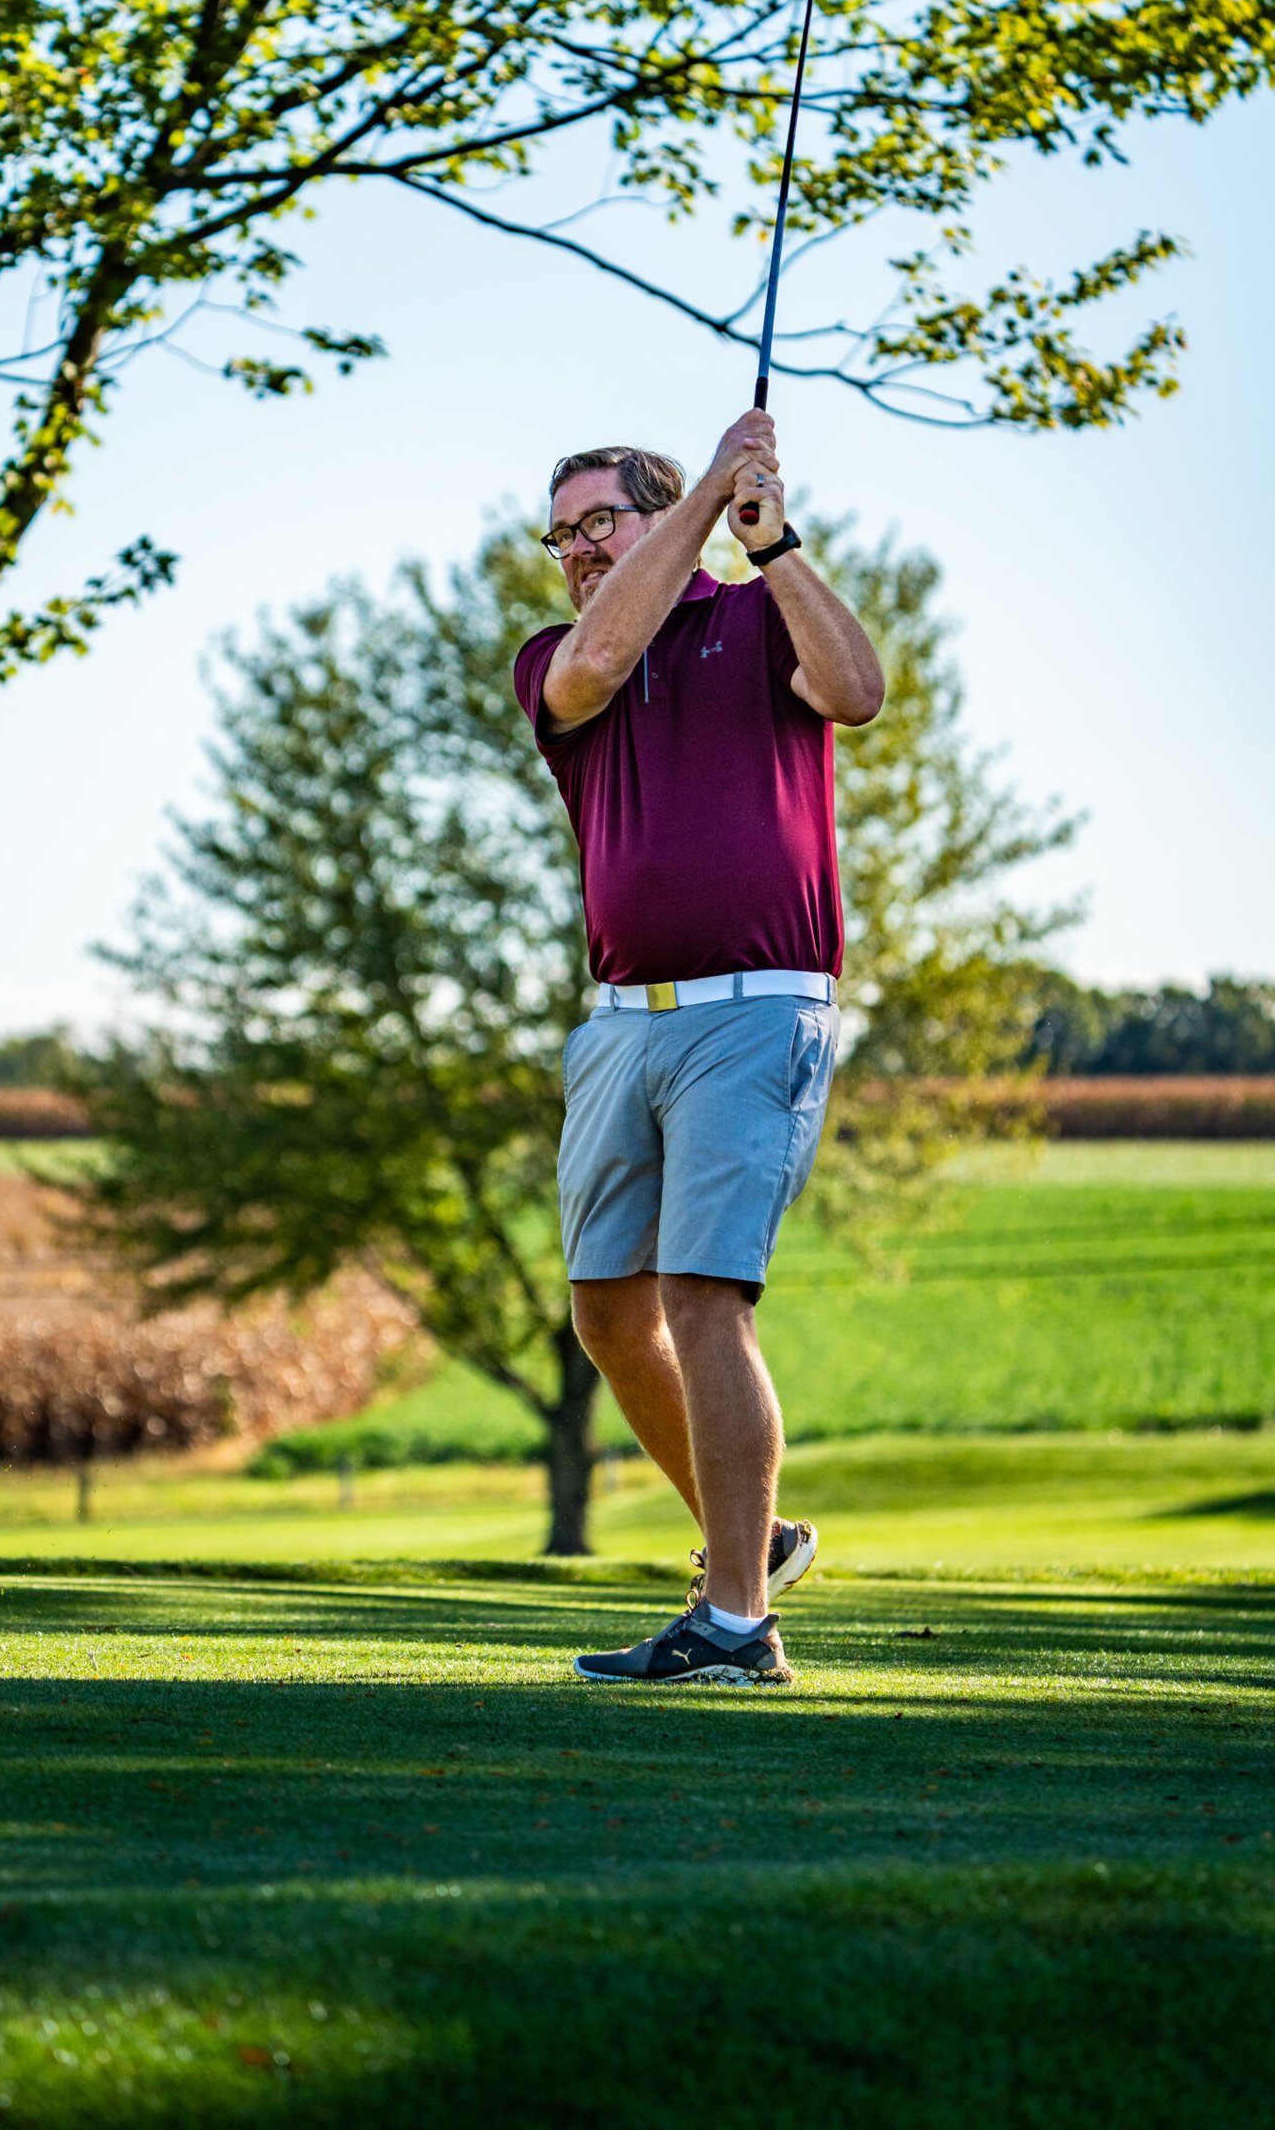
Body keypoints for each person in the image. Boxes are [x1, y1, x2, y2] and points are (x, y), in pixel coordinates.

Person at [513, 407, 885, 1688]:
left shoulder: (758, 619)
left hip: (757, 1010)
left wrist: (772, 546)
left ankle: (734, 1626)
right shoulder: (556, 657)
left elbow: (856, 694)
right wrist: (709, 492)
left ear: (663, 513)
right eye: (560, 534)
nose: (576, 548)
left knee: (701, 1297)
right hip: (620, 1023)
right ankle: (753, 1539)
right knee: (607, 1312)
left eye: (598, 521)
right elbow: (596, 665)